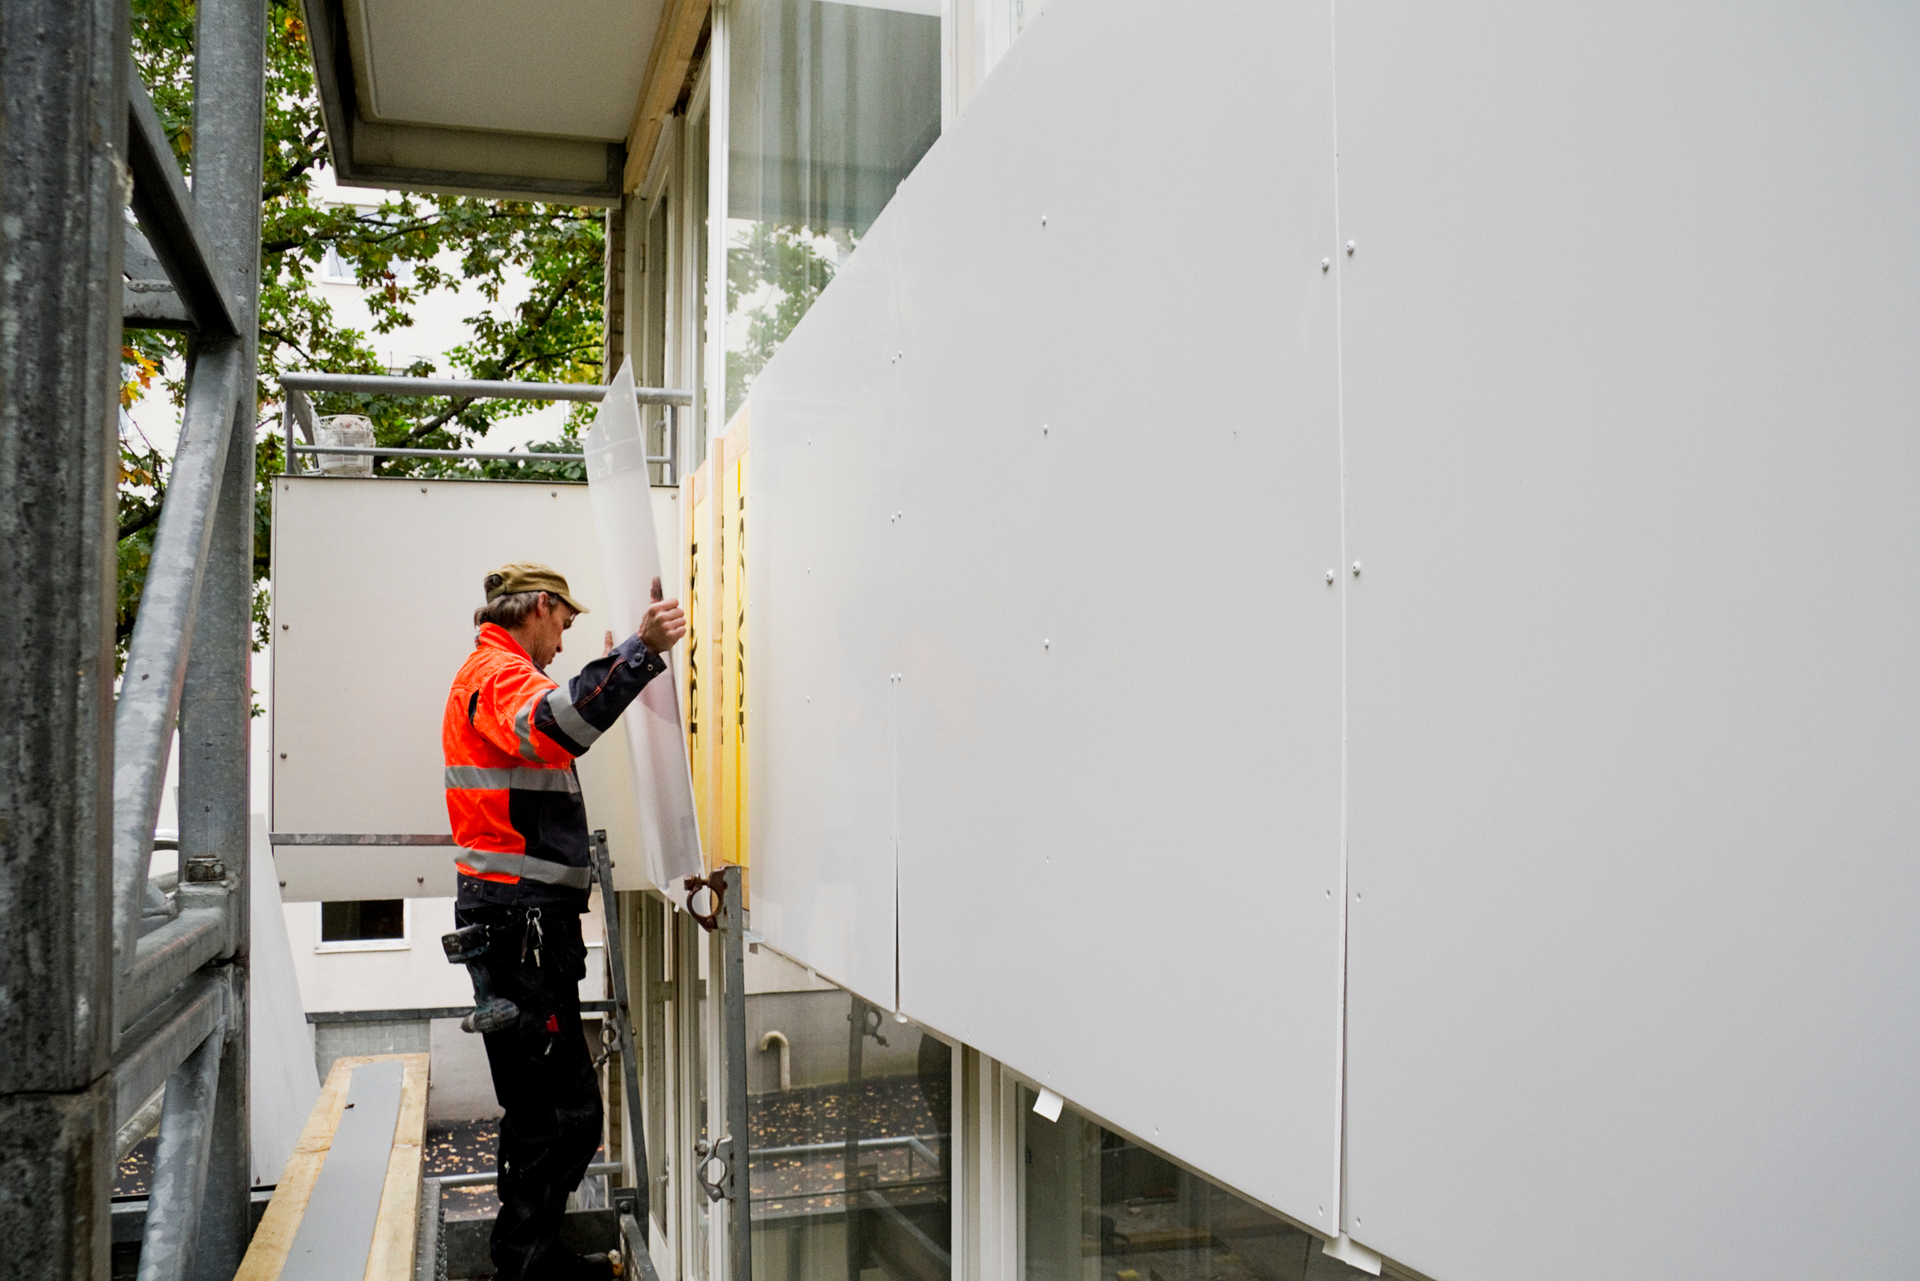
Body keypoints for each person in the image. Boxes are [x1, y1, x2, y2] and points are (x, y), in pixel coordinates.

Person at [442, 562, 686, 1281]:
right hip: (521, 928)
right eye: (564, 625)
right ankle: (526, 1263)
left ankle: (531, 1257)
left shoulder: (494, 672)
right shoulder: (498, 671)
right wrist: (636, 652)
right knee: (560, 1114)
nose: (561, 641)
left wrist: (611, 666)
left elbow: (556, 714)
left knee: (547, 1112)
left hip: (521, 925)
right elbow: (561, 723)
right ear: (540, 607)